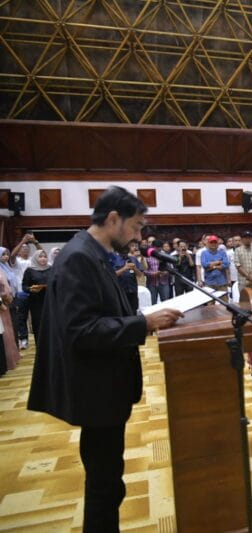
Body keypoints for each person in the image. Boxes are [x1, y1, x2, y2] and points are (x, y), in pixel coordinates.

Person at [27, 185, 183, 531]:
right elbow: (82, 330)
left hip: (102, 388)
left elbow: (101, 312)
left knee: (108, 482)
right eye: (136, 226)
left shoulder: (92, 253)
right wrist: (143, 323)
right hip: (94, 388)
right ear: (114, 219)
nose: (138, 236)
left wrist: (140, 320)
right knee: (104, 486)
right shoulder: (79, 257)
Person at [234, 231, 252, 314]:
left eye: (249, 238)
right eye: (245, 238)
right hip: (243, 281)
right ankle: (246, 319)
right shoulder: (238, 250)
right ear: (242, 239)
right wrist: (249, 276)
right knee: (244, 302)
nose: (248, 239)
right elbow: (238, 265)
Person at [0, 267, 20, 371]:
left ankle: (7, 362)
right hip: (2, 305)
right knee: (5, 335)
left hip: (4, 304)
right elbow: (4, 291)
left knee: (6, 334)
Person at [200, 235, 230, 302]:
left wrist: (212, 266)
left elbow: (226, 264)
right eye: (211, 242)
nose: (213, 244)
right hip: (209, 283)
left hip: (222, 282)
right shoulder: (204, 253)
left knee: (225, 302)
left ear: (218, 244)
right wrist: (218, 262)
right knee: (210, 303)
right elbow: (205, 265)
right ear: (208, 243)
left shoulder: (222, 252)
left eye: (215, 242)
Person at [144, 240, 171, 304]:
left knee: (165, 303)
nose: (158, 249)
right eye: (156, 247)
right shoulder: (147, 256)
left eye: (159, 247)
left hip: (164, 282)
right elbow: (144, 270)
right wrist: (152, 273)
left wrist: (165, 272)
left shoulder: (165, 255)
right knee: (152, 303)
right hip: (152, 283)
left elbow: (170, 268)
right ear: (152, 247)